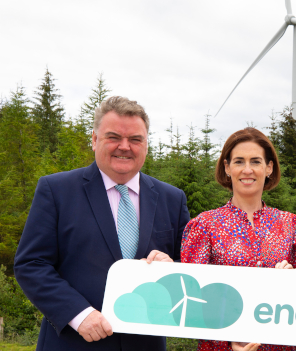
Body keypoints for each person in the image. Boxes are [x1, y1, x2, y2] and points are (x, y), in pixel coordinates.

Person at [14, 96, 191, 351]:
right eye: (113, 137)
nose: (124, 146)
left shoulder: (172, 198)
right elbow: (31, 264)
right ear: (95, 140)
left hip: (146, 345)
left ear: (146, 145)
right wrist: (79, 314)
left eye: (135, 139)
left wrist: (172, 268)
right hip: (73, 343)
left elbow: (188, 266)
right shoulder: (56, 190)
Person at [181, 127, 296, 351]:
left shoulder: (289, 224)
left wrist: (291, 281)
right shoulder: (204, 226)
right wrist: (227, 342)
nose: (247, 170)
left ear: (269, 168)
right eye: (239, 161)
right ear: (227, 167)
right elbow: (191, 300)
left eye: (256, 161)